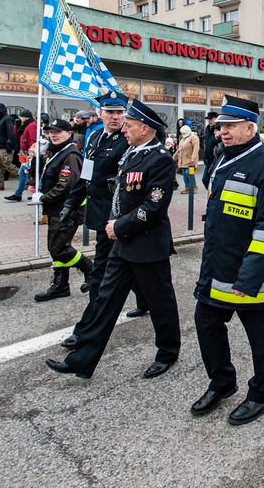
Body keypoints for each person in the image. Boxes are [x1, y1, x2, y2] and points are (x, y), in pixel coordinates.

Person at [46, 99, 181, 378]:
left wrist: (119, 226)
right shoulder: (131, 153)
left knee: (160, 302)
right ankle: (82, 359)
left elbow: (154, 207)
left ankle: (167, 352)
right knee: (106, 299)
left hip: (146, 243)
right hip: (122, 241)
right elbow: (119, 193)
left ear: (145, 129)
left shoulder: (160, 159)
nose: (125, 130)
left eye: (129, 125)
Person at [191, 95, 264, 426]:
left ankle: (261, 393)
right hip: (218, 268)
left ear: (251, 127)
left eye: (231, 126)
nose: (223, 132)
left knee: (261, 339)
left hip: (252, 276)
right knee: (206, 322)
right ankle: (222, 381)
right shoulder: (222, 158)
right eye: (221, 127)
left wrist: (248, 279)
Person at [58, 92, 150, 351]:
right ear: (100, 114)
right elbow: (87, 176)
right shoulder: (96, 137)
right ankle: (146, 301)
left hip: (118, 219)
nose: (115, 117)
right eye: (110, 112)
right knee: (130, 266)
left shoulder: (129, 141)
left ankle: (85, 331)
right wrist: (71, 202)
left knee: (101, 276)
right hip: (99, 215)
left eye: (120, 112)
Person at [32, 119, 93, 302]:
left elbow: (66, 186)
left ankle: (90, 268)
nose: (53, 135)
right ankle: (60, 284)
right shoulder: (56, 152)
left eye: (58, 132)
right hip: (56, 209)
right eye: (51, 132)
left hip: (67, 210)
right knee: (55, 248)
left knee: (59, 249)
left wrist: (43, 198)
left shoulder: (71, 155)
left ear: (69, 133)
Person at [5, 110, 38, 202]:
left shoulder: (32, 125)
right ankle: (19, 194)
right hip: (26, 153)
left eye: (21, 117)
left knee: (26, 173)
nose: (19, 118)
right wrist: (17, 126)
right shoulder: (25, 126)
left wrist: (32, 152)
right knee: (23, 173)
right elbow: (17, 135)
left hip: (30, 154)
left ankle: (22, 194)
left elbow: (34, 139)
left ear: (25, 117)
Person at [0, 102, 19, 191]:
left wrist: (9, 145)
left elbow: (11, 134)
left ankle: (25, 180)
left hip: (5, 147)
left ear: (0, 110)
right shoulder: (1, 120)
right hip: (0, 147)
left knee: (8, 164)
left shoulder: (7, 119)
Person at [174, 123, 199, 193]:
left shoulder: (194, 137)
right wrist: (174, 157)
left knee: (188, 173)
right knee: (184, 174)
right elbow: (180, 148)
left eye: (183, 133)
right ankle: (187, 187)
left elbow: (196, 148)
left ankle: (194, 186)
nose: (182, 134)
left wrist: (193, 158)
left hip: (190, 159)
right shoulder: (183, 138)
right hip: (182, 159)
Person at [202, 111, 219, 188]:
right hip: (208, 159)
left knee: (211, 179)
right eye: (208, 119)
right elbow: (207, 143)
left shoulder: (219, 128)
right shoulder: (207, 129)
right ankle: (211, 194)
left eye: (211, 119)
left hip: (215, 160)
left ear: (216, 119)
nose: (209, 121)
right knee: (205, 179)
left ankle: (213, 195)